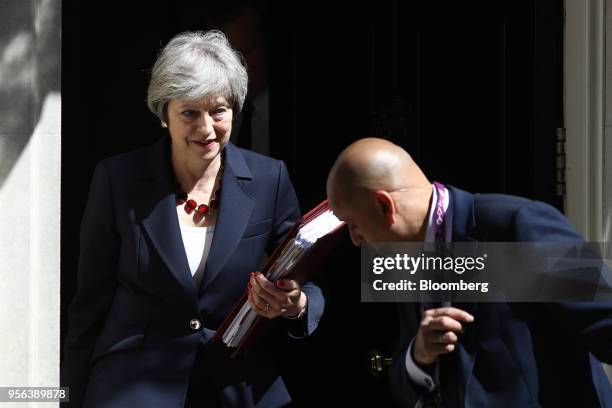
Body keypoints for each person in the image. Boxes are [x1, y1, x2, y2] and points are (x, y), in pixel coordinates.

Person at [61, 31, 324, 408]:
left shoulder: (270, 179)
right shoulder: (117, 180)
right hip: (134, 384)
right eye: (189, 113)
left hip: (237, 382)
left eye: (218, 110)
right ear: (164, 114)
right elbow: (89, 304)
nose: (206, 128)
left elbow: (308, 278)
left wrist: (295, 304)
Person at [326, 137, 612, 407]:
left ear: (384, 205)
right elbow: (402, 378)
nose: (355, 239)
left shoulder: (518, 224)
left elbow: (605, 318)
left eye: (353, 224)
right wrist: (419, 355)